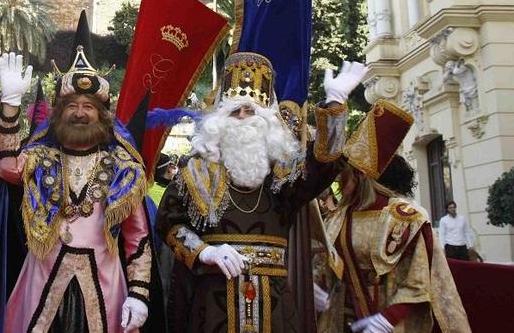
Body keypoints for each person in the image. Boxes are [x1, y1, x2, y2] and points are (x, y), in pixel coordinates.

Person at [156, 53, 364, 333]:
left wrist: (335, 103)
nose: (243, 118)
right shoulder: (196, 172)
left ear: (267, 120)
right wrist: (204, 252)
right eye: (235, 111)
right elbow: (168, 222)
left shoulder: (283, 175)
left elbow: (324, 167)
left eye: (251, 111)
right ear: (220, 120)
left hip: (274, 305)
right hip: (212, 304)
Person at [0, 48, 154, 333]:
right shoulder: (40, 159)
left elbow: (138, 237)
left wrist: (139, 294)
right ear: (58, 113)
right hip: (41, 285)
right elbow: (7, 165)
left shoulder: (123, 170)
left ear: (102, 115)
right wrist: (10, 105)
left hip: (105, 291)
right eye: (71, 105)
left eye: (88, 106)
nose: (79, 113)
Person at [316, 100, 470, 333]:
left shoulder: (405, 218)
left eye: (342, 173)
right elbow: (326, 262)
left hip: (387, 322)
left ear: (358, 175)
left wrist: (388, 318)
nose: (337, 179)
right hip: (340, 320)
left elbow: (418, 280)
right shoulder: (338, 216)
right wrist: (317, 286)